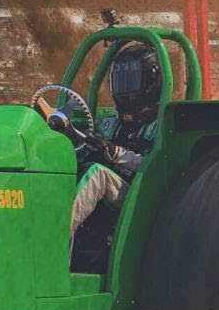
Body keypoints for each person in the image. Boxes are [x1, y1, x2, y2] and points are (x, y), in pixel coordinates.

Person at [69, 43, 162, 237]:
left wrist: (114, 152)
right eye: (121, 81)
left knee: (97, 175)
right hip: (115, 189)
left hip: (140, 195)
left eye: (131, 80)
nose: (125, 89)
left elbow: (153, 167)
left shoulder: (159, 126)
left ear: (151, 82)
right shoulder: (111, 122)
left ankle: (56, 240)